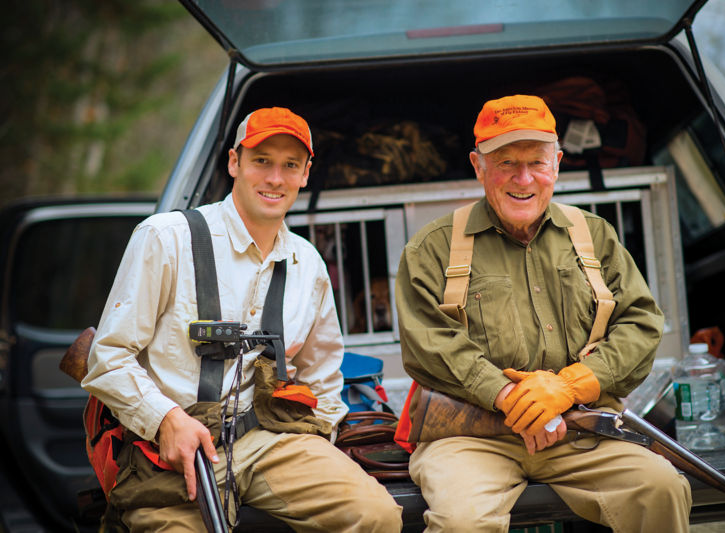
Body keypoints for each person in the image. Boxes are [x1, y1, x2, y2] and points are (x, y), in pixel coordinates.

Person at [83, 107, 402, 532]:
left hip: (270, 440)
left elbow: (324, 378)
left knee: (375, 515)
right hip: (172, 454)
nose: (275, 178)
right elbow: (108, 359)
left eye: (290, 165)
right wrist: (165, 419)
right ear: (234, 162)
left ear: (306, 173)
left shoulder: (307, 264)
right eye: (261, 161)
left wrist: (316, 441)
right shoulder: (165, 238)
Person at [394, 95, 691, 532]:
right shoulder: (432, 247)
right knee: (461, 521)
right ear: (478, 166)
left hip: (582, 432)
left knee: (661, 488)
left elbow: (641, 324)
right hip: (470, 440)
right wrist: (517, 401)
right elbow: (429, 344)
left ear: (558, 163)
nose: (523, 178)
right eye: (506, 162)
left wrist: (569, 387)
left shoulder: (595, 236)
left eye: (537, 162)